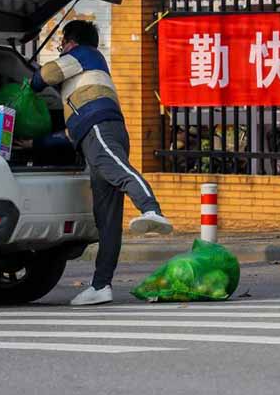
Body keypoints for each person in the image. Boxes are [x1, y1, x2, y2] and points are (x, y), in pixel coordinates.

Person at [29, 20, 173, 306]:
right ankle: (100, 285)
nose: (61, 48)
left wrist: (32, 79)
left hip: (100, 126)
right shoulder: (83, 73)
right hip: (94, 130)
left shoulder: (85, 54)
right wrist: (33, 144)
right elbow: (68, 131)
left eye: (63, 43)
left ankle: (152, 209)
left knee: (117, 170)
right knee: (107, 220)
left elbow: (44, 75)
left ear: (72, 41)